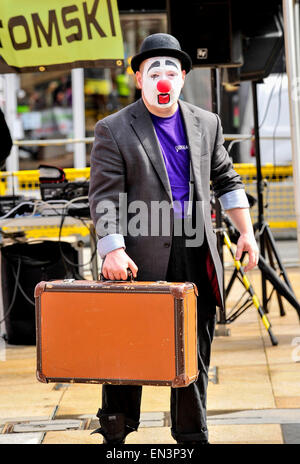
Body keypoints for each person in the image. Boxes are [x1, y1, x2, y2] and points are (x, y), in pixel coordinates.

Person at [88, 33, 259, 445]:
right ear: (138, 79)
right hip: (137, 254)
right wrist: (112, 248)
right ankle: (116, 431)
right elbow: (104, 195)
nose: (163, 77)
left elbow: (226, 178)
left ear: (182, 77)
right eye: (153, 70)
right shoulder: (113, 129)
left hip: (195, 249)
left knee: (193, 345)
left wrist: (246, 232)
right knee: (128, 349)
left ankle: (191, 435)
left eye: (170, 70)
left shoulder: (207, 122)